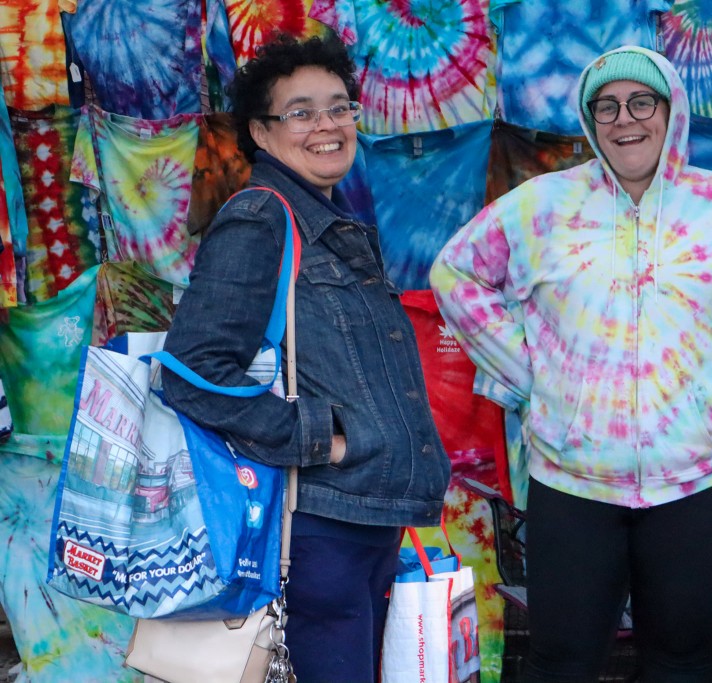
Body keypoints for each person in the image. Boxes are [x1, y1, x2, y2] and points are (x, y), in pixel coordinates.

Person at [430, 46, 712, 682]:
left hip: (701, 479)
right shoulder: (542, 207)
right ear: (589, 118)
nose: (625, 119)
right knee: (559, 661)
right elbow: (454, 272)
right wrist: (526, 369)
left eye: (641, 101)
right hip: (572, 479)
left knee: (679, 658)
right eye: (607, 106)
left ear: (671, 110)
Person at [161, 34, 451, 683]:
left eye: (339, 106)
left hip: (362, 524)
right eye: (300, 111)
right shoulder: (261, 219)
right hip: (318, 531)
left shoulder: (330, 222)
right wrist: (322, 438)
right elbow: (191, 370)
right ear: (261, 133)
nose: (326, 125)